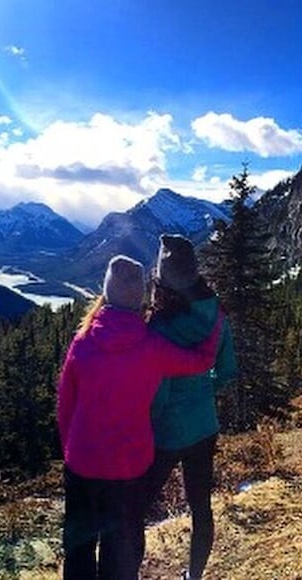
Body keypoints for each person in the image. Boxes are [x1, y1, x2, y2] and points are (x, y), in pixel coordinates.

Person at [58, 255, 223, 580]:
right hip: (129, 467)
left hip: (82, 463)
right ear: (141, 299)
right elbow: (202, 361)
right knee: (121, 552)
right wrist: (216, 318)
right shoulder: (152, 346)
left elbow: (66, 407)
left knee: (78, 549)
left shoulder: (83, 342)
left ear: (106, 293)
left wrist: (72, 452)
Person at [142, 234, 237, 580]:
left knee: (135, 508)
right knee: (201, 507)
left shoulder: (160, 324)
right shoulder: (217, 312)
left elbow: (159, 392)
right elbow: (227, 370)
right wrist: (203, 391)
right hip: (204, 425)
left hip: (166, 432)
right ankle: (193, 576)